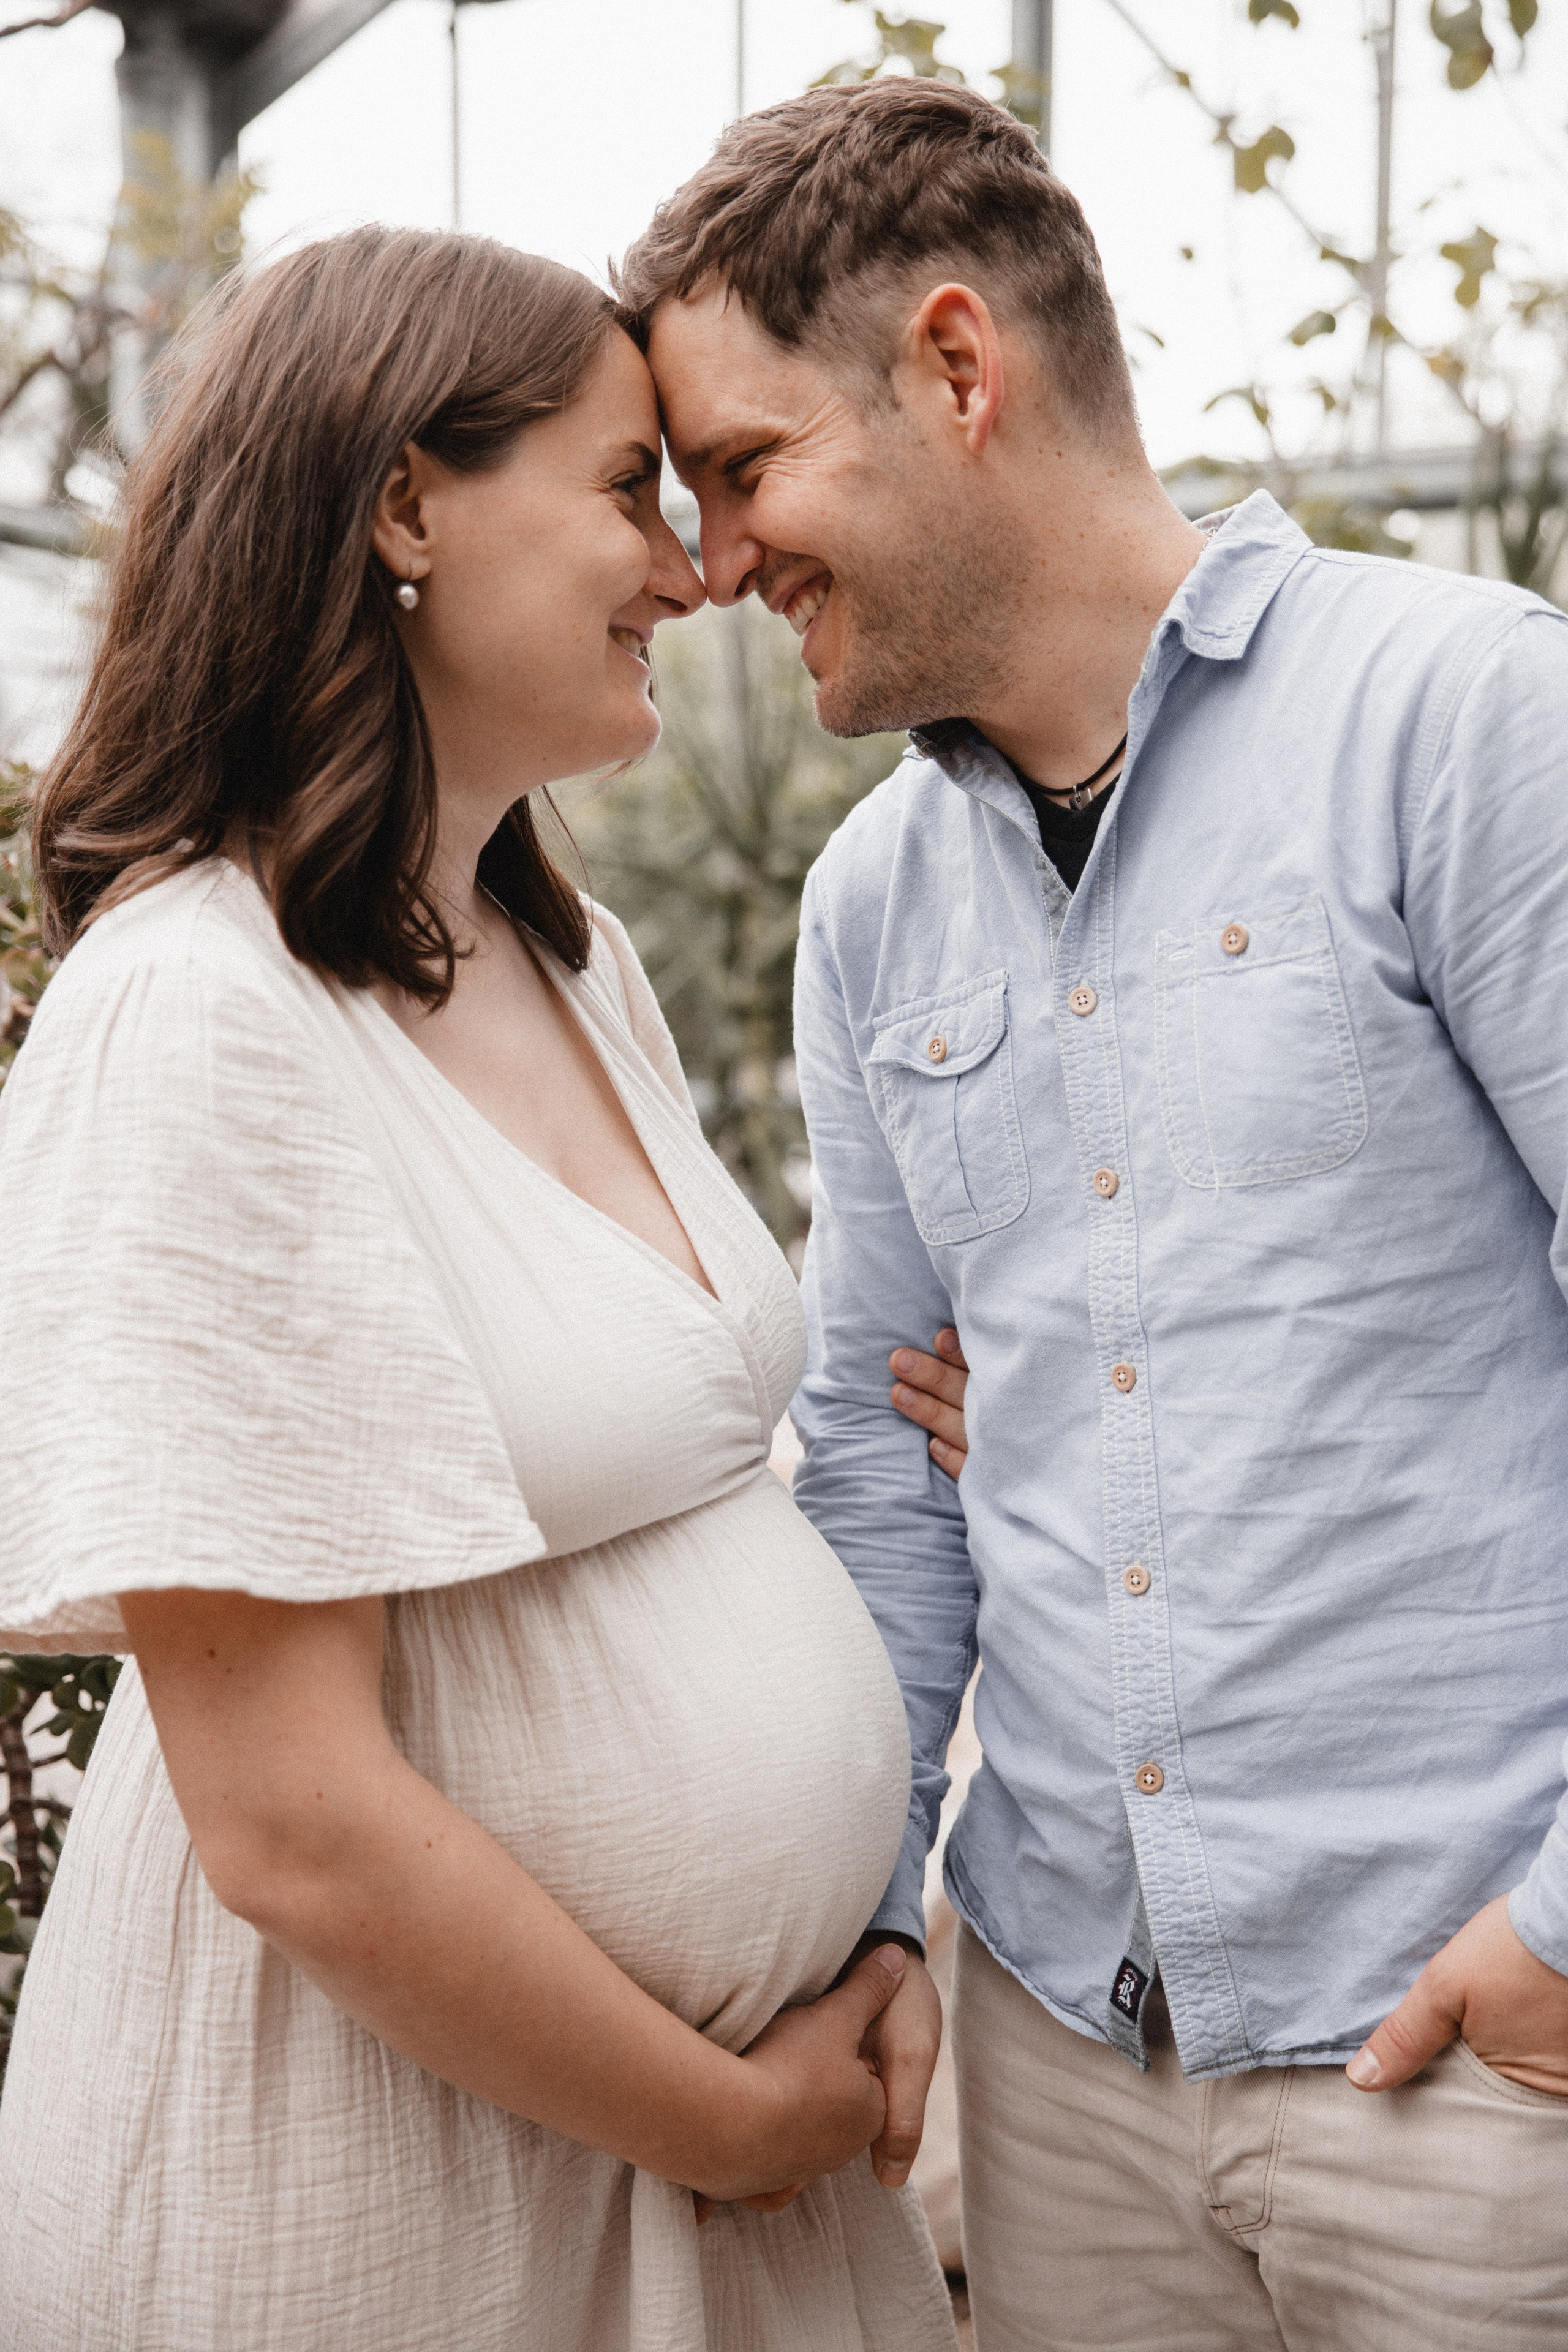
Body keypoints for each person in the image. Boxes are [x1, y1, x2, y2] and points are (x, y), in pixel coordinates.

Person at [619, 77, 1568, 2350]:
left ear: (959, 369)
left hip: (1465, 2052)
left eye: (747, 469)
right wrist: (863, 1925)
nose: (717, 565)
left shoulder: (1465, 725)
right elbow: (878, 1461)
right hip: (1063, 2045)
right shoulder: (872, 907)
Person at [0, 226, 962, 2352]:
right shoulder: (198, 1014)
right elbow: (293, 1825)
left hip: (714, 2151)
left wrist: (851, 1954)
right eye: (631, 488)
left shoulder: (567, 957)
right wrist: (714, 2117)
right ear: (407, 504)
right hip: (416, 2183)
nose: (697, 571)